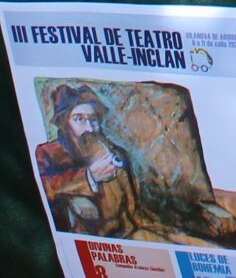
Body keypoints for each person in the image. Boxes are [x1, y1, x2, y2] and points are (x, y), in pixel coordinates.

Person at [34, 86, 155, 239]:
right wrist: (88, 177)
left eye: (93, 119)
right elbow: (44, 188)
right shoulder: (47, 153)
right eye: (79, 119)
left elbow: (133, 207)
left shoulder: (116, 154)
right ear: (65, 124)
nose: (90, 128)